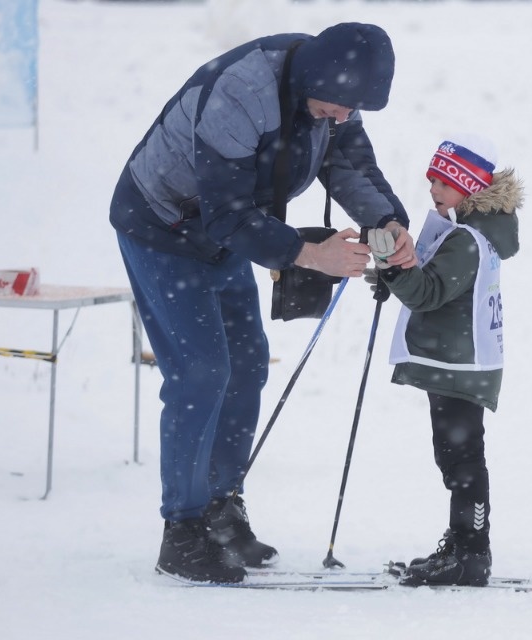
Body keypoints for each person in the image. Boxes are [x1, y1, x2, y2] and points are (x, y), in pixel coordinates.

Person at [109, 23, 416, 585]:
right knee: (201, 373)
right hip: (165, 225)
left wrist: (388, 222)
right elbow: (225, 211)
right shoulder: (242, 93)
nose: (347, 117)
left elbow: (350, 164)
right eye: (342, 107)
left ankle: (222, 508)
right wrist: (304, 252)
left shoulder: (333, 93)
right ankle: (182, 530)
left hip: (229, 228)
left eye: (356, 110)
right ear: (316, 82)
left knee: (247, 364)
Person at [365, 134, 524, 586]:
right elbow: (430, 281)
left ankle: (472, 553)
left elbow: (428, 291)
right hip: (459, 360)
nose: (434, 189)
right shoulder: (468, 232)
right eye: (432, 179)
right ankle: (462, 544)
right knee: (455, 455)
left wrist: (393, 270)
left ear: (471, 189)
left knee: (462, 458)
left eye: (446, 183)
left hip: (462, 364)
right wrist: (396, 276)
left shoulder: (467, 241)